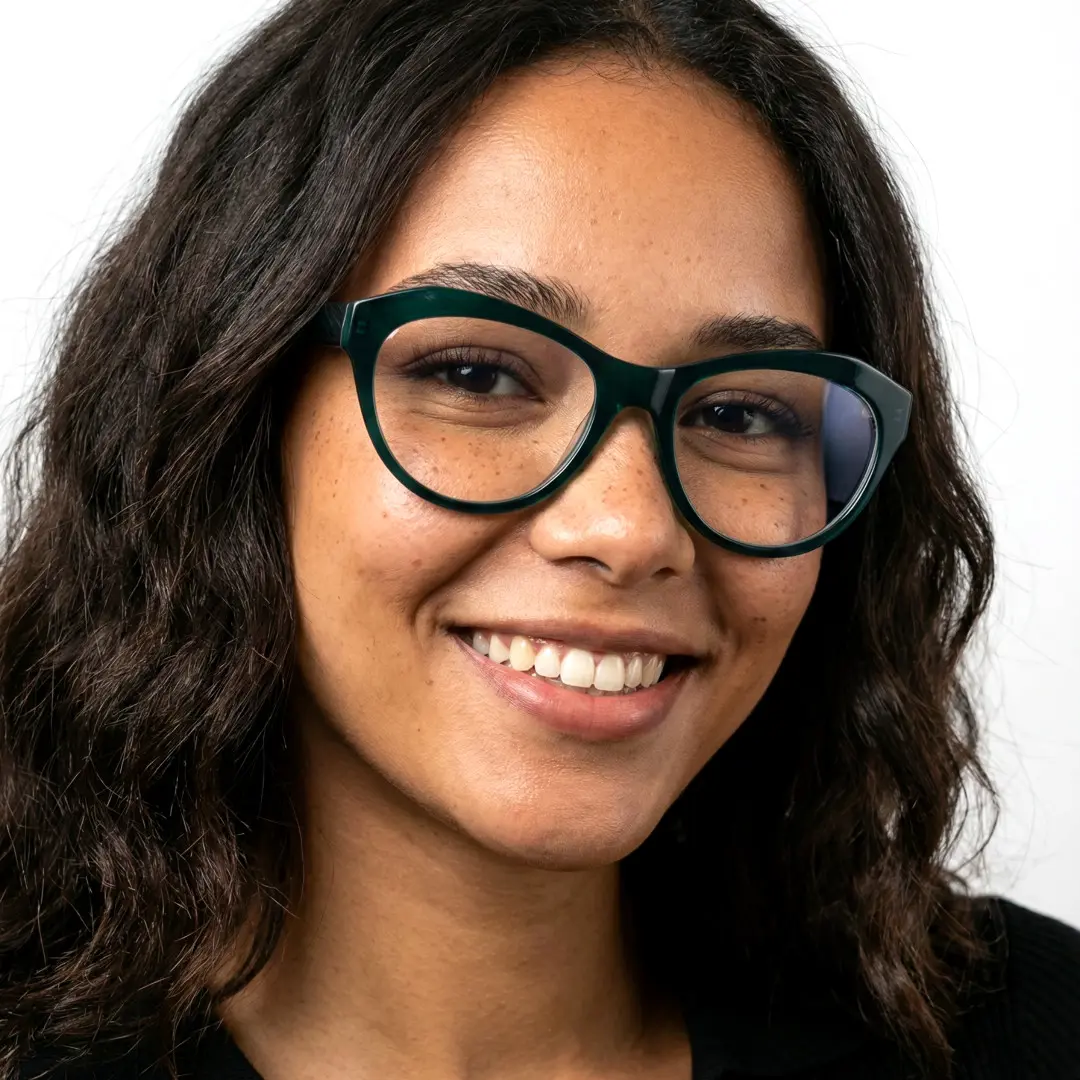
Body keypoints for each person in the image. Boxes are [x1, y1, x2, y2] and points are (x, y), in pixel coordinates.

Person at [3, 1, 1078, 1078]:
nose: (628, 528)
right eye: (477, 375)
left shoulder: (1030, 1034)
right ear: (230, 415)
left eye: (742, 415)